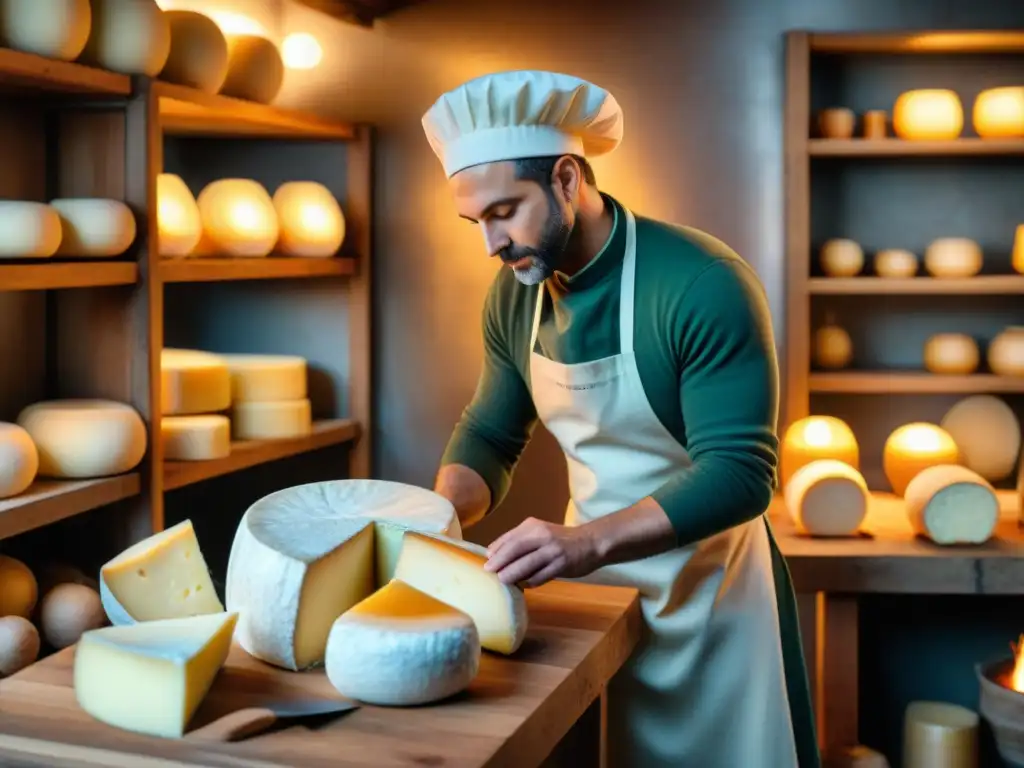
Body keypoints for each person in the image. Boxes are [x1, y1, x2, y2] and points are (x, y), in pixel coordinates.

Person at [420, 70, 820, 768]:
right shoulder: (516, 297)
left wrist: (584, 543)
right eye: (476, 221)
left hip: (716, 602)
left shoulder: (703, 282)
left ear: (568, 179)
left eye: (504, 211)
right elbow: (490, 433)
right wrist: (430, 519)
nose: (491, 243)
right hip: (599, 609)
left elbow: (740, 474)